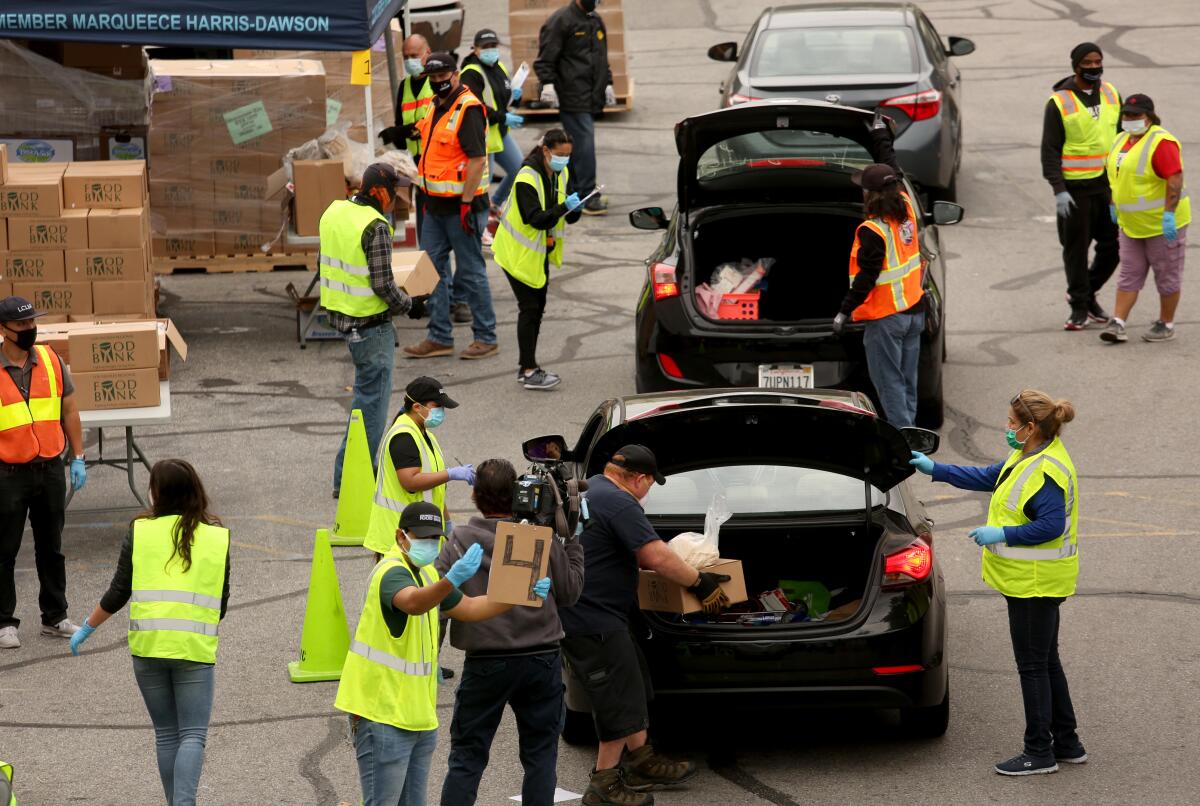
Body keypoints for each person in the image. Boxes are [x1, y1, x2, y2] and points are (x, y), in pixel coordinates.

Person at [910, 390, 1085, 776]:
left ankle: (1039, 751)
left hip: (1034, 583)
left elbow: (1051, 525)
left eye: (1011, 423)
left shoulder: (1045, 471)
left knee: (1033, 666)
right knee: (1046, 660)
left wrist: (1000, 533)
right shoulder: (1031, 455)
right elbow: (991, 477)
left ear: (1031, 427)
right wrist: (935, 469)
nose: (1006, 428)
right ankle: (1067, 741)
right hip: (1033, 580)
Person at [335, 501, 548, 806]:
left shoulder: (427, 575)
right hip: (381, 715)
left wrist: (520, 595)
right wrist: (452, 579)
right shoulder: (391, 573)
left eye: (435, 538)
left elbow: (471, 608)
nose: (429, 544)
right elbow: (413, 603)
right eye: (421, 537)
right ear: (400, 536)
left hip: (416, 717)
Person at [560, 445, 728, 805]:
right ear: (638, 478)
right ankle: (603, 784)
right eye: (650, 484)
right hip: (594, 619)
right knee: (617, 696)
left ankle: (640, 760)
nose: (648, 493)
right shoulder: (620, 503)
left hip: (589, 613)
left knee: (631, 680)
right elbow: (653, 554)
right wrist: (699, 582)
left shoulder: (591, 489)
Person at [69, 459, 231, 804]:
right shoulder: (217, 538)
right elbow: (221, 603)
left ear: (157, 494)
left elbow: (118, 592)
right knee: (192, 735)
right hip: (192, 649)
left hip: (147, 649)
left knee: (167, 734)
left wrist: (86, 628)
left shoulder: (139, 531)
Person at [435, 458, 584, 806]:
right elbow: (571, 591)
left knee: (467, 759)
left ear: (474, 495)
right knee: (540, 757)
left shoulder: (459, 539)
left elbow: (437, 594)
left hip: (486, 659)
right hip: (542, 657)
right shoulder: (537, 537)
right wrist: (574, 540)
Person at [320, 164, 429, 499]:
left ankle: (346, 473)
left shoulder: (334, 212)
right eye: (392, 192)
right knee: (371, 407)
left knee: (363, 401)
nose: (393, 200)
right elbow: (383, 284)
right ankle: (353, 480)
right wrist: (411, 305)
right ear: (380, 191)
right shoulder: (375, 226)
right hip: (370, 326)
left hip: (343, 319)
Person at [0, 295, 85, 650]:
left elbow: (69, 410)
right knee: (4, 549)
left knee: (52, 546)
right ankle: (4, 621)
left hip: (50, 466)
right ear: (4, 330)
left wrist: (78, 456)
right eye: (21, 325)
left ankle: (55, 615)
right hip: (8, 472)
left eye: (32, 323)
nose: (29, 329)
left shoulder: (51, 360)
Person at [404, 52, 499, 361]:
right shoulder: (437, 105)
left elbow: (476, 160)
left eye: (443, 78)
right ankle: (439, 336)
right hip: (435, 205)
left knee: (471, 272)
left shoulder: (468, 108)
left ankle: (486, 337)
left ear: (455, 75)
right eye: (433, 79)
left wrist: (468, 202)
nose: (438, 83)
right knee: (430, 270)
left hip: (462, 206)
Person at [833, 121, 924, 428]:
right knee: (907, 380)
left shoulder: (873, 231)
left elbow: (867, 277)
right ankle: (911, 432)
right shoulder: (908, 209)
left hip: (886, 319)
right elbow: (893, 168)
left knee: (889, 384)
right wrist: (880, 136)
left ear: (870, 195)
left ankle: (904, 440)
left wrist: (844, 312)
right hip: (914, 311)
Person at [493, 129, 584, 391]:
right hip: (516, 253)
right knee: (530, 308)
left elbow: (563, 211)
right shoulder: (526, 178)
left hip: (537, 252)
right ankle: (528, 369)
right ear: (546, 150)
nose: (564, 160)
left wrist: (574, 209)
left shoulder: (559, 172)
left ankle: (529, 366)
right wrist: (564, 207)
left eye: (568, 155)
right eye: (559, 154)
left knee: (536, 308)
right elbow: (535, 218)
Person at [1041, 42, 1121, 330]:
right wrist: (1058, 189)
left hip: (1108, 187)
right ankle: (1079, 306)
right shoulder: (1059, 102)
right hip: (1075, 190)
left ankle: (1087, 294)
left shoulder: (1111, 93)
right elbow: (1050, 149)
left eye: (1097, 61)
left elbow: (1123, 138)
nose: (1093, 67)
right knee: (1076, 249)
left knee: (1114, 246)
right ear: (1075, 66)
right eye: (1087, 63)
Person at [1101, 93, 1191, 344]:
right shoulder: (1121, 139)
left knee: (1166, 275)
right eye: (1127, 115)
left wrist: (1169, 216)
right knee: (1129, 272)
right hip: (1131, 224)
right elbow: (1116, 177)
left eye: (1136, 115)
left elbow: (1174, 180)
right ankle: (1117, 322)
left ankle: (1166, 323)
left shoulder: (1161, 143)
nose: (1130, 120)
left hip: (1161, 225)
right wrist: (1113, 204)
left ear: (1149, 117)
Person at [362, 377, 474, 557]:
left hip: (421, 533)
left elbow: (434, 488)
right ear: (417, 407)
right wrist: (450, 474)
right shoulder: (404, 436)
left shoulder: (424, 434)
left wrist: (446, 523)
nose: (441, 411)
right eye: (437, 406)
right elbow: (410, 481)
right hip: (399, 536)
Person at [534, 0, 615, 215]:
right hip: (572, 93)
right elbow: (545, 58)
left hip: (591, 94)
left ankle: (571, 192)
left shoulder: (595, 21)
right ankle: (587, 195)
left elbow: (601, 57)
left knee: (577, 145)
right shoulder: (561, 21)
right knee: (585, 143)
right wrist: (548, 82)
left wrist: (608, 82)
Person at [460, 28, 525, 216]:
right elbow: (476, 106)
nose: (491, 50)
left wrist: (516, 98)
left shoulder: (499, 67)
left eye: (493, 46)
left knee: (518, 169)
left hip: (499, 133)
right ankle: (480, 225)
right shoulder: (470, 73)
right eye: (485, 47)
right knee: (482, 184)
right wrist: (503, 117)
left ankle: (495, 204)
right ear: (475, 49)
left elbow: (504, 98)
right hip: (482, 135)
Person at [381, 34, 434, 256]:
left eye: (414, 55)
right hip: (416, 166)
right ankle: (429, 278)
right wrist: (399, 133)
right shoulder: (405, 87)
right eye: (406, 57)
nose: (410, 60)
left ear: (427, 54)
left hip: (436, 164)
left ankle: (439, 281)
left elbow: (431, 124)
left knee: (435, 231)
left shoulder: (436, 82)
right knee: (424, 228)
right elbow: (402, 130)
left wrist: (401, 131)